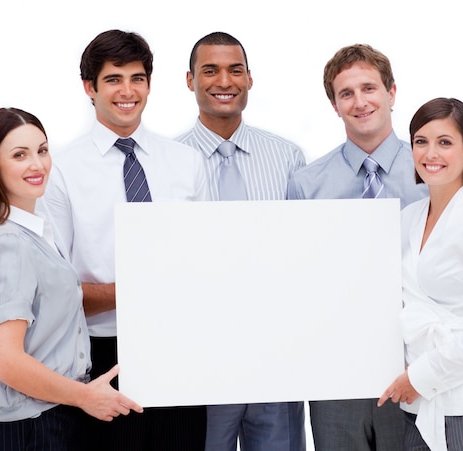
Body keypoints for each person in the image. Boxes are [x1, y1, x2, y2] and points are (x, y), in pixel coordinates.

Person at [40, 30, 210, 450]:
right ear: (89, 88)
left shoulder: (186, 163)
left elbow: (208, 261)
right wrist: (135, 292)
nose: (127, 91)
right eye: (113, 79)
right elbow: (54, 291)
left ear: (150, 85)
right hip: (102, 355)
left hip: (179, 350)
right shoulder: (61, 172)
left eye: (137, 78)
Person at [0, 107, 141, 451]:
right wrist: (86, 396)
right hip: (32, 429)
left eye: (42, 150)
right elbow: (7, 361)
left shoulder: (36, 233)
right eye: (20, 155)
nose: (38, 164)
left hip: (50, 421)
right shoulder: (10, 244)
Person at [287, 44, 427, 450]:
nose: (360, 101)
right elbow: (298, 275)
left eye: (369, 88)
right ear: (334, 105)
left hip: (415, 363)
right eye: (346, 93)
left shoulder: (430, 171)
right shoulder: (306, 184)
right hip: (336, 370)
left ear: (392, 93)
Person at [177, 31, 307, 451]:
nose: (224, 81)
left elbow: (302, 252)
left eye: (235, 70)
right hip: (202, 358)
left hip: (276, 356)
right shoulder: (168, 162)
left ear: (250, 79)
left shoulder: (287, 157)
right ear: (190, 80)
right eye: (209, 70)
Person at [377, 97, 463, 451]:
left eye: (445, 142)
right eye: (421, 142)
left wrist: (422, 377)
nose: (431, 153)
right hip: (418, 404)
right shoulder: (407, 218)